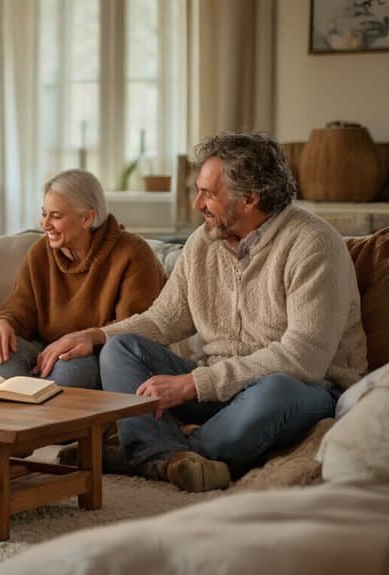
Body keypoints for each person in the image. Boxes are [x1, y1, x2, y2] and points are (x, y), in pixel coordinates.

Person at [56, 132, 367, 492]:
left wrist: (193, 384)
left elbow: (304, 360)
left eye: (208, 193)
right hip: (217, 388)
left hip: (307, 390)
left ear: (250, 198)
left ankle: (151, 453)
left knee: (275, 392)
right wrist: (95, 336)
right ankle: (173, 456)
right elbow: (163, 320)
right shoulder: (203, 241)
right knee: (122, 348)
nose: (196, 203)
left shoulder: (313, 244)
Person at [0, 169, 164, 389]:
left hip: (98, 357)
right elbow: (20, 307)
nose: (45, 224)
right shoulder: (41, 252)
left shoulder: (133, 253)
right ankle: (28, 418)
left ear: (87, 218)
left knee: (72, 369)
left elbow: (136, 329)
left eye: (56, 216)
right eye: (44, 213)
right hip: (46, 351)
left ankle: (33, 417)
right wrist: (3, 322)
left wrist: (83, 339)